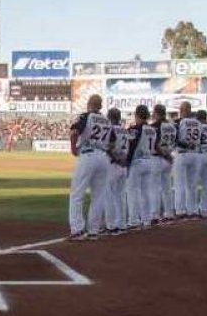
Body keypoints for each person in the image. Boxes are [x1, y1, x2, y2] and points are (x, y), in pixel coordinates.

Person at [66, 94, 111, 241]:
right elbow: (112, 142)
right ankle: (93, 230)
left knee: (77, 193)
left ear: (89, 103)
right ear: (101, 106)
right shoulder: (107, 121)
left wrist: (73, 147)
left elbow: (74, 131)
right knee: (98, 196)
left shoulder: (86, 116)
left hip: (88, 155)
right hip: (103, 157)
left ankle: (78, 230)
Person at [124, 104, 156, 230]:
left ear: (137, 115)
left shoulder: (135, 129)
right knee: (145, 192)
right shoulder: (152, 129)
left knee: (132, 192)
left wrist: (127, 162)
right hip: (149, 160)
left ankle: (133, 220)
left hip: (137, 162)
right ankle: (146, 219)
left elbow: (131, 146)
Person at [172, 101, 200, 219]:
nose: (180, 110)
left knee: (180, 184)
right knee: (192, 184)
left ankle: (180, 210)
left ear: (184, 110)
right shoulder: (198, 123)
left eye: (181, 109)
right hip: (195, 154)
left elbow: (174, 139)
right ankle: (192, 210)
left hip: (182, 154)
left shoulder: (178, 122)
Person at [103, 107, 129, 235]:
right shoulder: (125, 130)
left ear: (109, 117)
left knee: (109, 195)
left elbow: (108, 147)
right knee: (120, 196)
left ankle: (111, 225)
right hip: (123, 164)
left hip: (113, 163)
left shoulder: (110, 129)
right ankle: (122, 224)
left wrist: (115, 158)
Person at [150, 105, 177, 223]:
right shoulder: (172, 126)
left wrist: (165, 154)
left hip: (158, 158)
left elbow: (155, 144)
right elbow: (176, 141)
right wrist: (169, 154)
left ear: (156, 113)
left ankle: (155, 214)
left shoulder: (155, 126)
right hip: (168, 158)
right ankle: (169, 212)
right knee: (167, 187)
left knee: (155, 187)